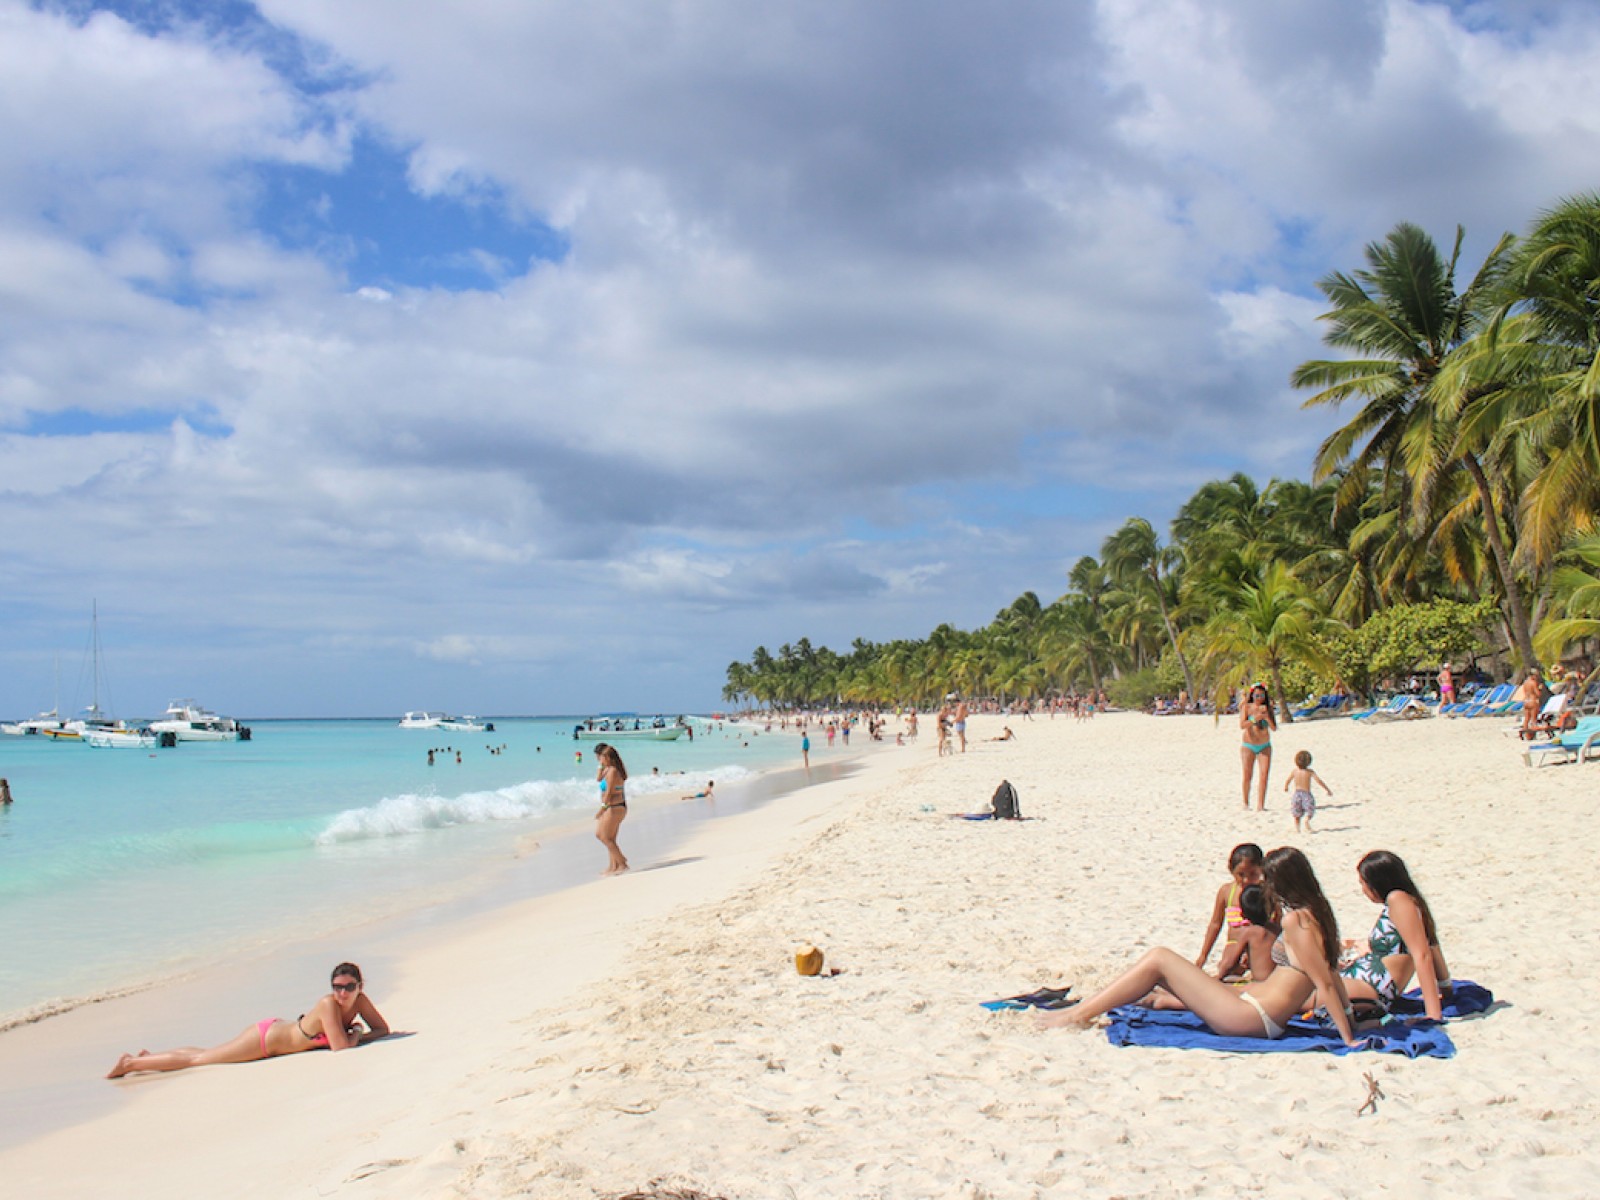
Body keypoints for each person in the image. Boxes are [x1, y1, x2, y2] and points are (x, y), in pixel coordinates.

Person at [1042, 847, 1359, 1045]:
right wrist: (1351, 1020)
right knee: (1162, 980)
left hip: (1254, 1018)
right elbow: (1331, 976)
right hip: (1251, 1003)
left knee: (1159, 958)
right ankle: (1082, 1008)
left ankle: (1076, 1015)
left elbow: (1324, 983)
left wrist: (1347, 1037)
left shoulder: (1297, 922)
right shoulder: (1317, 914)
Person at [106, 962, 388, 1078]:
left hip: (277, 1031)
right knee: (199, 1060)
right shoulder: (328, 1005)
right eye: (337, 987)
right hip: (264, 1041)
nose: (342, 993)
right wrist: (356, 1032)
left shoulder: (359, 1001)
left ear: (360, 987)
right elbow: (341, 1048)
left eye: (349, 987)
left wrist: (360, 1033)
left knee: (205, 1054)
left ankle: (151, 1057)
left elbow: (383, 1029)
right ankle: (130, 1063)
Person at [1341, 850, 1452, 1021]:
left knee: (1300, 992)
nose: (1363, 890)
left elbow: (1422, 955)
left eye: (1363, 883)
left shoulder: (1397, 900)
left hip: (1373, 985)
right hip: (1370, 981)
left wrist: (1433, 1015)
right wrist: (1446, 989)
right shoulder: (1409, 902)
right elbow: (1432, 945)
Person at [1195, 843, 1264, 968]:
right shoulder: (1227, 892)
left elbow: (1276, 923)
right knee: (1228, 964)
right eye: (1241, 874)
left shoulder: (1266, 892)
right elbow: (1215, 924)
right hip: (1234, 945)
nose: (1246, 880)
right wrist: (1203, 955)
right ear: (1231, 870)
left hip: (1260, 944)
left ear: (1262, 869)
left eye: (1253, 874)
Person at [1212, 885, 1279, 983]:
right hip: (1278, 982)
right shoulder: (1277, 929)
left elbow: (1230, 963)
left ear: (1242, 914)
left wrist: (1218, 977)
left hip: (1260, 984)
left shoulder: (1249, 932)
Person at [1238, 682, 1277, 810]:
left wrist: (1266, 717)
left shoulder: (1268, 708)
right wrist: (1255, 719)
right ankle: (1245, 802)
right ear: (1252, 695)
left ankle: (1261, 805)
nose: (1259, 698)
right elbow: (1242, 725)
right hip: (1248, 745)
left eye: (1261, 696)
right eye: (1256, 696)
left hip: (1264, 745)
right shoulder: (1247, 707)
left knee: (1264, 775)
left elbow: (1274, 728)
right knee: (1247, 774)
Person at [593, 742, 630, 875]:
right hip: (614, 807)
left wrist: (603, 808)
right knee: (610, 838)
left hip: (614, 807)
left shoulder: (613, 771)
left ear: (607, 757)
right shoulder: (608, 769)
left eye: (600, 757)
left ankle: (622, 862)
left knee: (602, 836)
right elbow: (598, 779)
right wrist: (601, 766)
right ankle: (613, 866)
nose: (598, 759)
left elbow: (609, 792)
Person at [1283, 750, 1333, 834]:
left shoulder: (1295, 771)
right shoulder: (1310, 772)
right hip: (1306, 794)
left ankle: (1297, 828)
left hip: (1297, 794)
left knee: (1297, 813)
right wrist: (1327, 789)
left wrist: (1286, 787)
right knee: (1310, 809)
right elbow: (1319, 781)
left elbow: (1288, 780)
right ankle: (1307, 820)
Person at [1517, 668, 1547, 737]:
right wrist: (1540, 689)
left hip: (1526, 701)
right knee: (1533, 720)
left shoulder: (1525, 682)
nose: (1537, 677)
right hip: (1533, 701)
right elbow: (1537, 694)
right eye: (1536, 676)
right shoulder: (1533, 683)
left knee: (1526, 719)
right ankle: (1531, 735)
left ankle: (1524, 734)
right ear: (1533, 675)